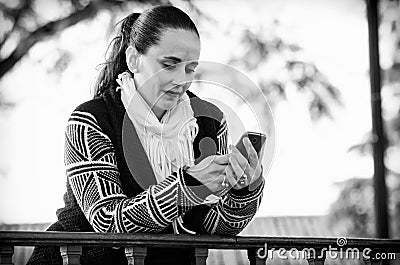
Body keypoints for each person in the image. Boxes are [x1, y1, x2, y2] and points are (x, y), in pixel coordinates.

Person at [27, 5, 265, 265]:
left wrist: (243, 191)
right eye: (169, 64)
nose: (181, 80)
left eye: (190, 68)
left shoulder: (210, 122)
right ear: (133, 59)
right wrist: (187, 186)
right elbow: (108, 222)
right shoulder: (91, 120)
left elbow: (211, 227)